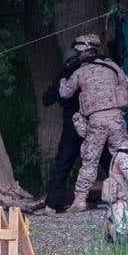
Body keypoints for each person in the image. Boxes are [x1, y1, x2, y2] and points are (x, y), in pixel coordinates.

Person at [58, 33, 128, 212]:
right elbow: (127, 84)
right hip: (116, 119)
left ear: (84, 50)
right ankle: (127, 195)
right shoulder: (112, 66)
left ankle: (80, 200)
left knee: (90, 161)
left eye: (78, 51)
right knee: (122, 157)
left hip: (96, 122)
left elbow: (65, 94)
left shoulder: (80, 71)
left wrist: (61, 82)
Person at [29, 48, 86, 215]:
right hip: (93, 124)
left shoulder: (66, 75)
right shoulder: (92, 72)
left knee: (63, 163)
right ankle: (123, 197)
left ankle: (51, 205)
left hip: (72, 125)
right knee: (106, 160)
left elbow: (47, 99)